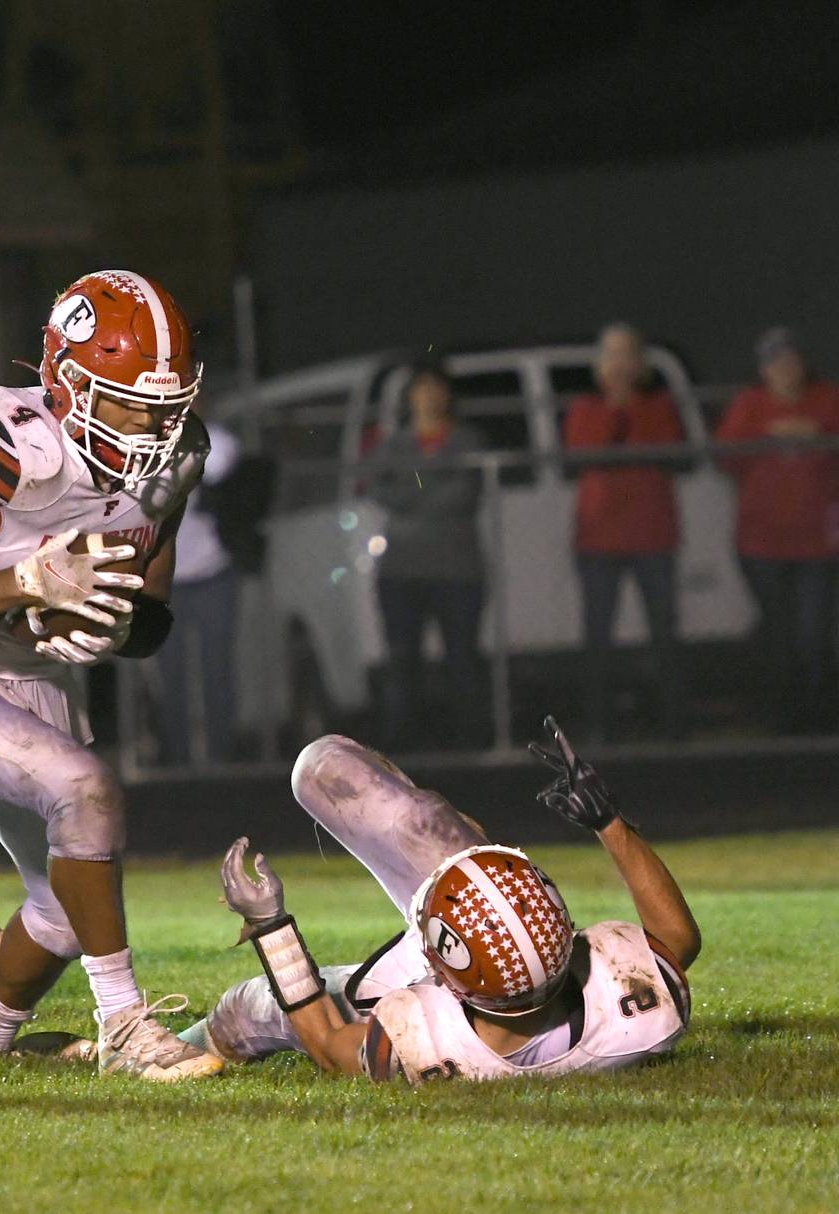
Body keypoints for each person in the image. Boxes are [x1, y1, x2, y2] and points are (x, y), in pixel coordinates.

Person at [0, 270, 225, 1080]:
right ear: (64, 382)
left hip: (39, 680)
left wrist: (107, 621)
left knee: (65, 910)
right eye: (131, 401)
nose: (153, 427)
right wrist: (27, 584)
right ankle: (128, 1027)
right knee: (85, 790)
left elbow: (152, 620)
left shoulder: (180, 453)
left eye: (166, 407)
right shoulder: (7, 436)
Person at [180, 719, 699, 1082]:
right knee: (329, 770)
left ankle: (159, 1049)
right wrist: (607, 821)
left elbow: (327, 1046)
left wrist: (272, 927)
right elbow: (678, 938)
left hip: (409, 990)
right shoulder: (632, 1010)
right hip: (498, 982)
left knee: (249, 1009)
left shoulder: (423, 1043)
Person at [563, 323, 686, 741]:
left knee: (664, 632)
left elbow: (666, 450)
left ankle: (673, 724)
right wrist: (616, 418)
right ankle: (599, 725)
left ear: (641, 363)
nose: (620, 364)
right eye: (611, 355)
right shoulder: (584, 407)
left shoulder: (661, 406)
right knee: (597, 635)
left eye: (627, 354)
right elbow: (583, 452)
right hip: (599, 537)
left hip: (652, 535)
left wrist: (627, 426)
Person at [714, 328, 839, 731]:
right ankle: (783, 716)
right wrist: (769, 435)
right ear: (763, 369)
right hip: (762, 542)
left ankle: (819, 714)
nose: (785, 369)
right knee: (778, 630)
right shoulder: (748, 405)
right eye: (775, 362)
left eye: (791, 360)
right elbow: (725, 457)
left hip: (818, 543)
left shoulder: (828, 400)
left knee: (814, 632)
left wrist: (817, 436)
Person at [368, 357, 487, 749]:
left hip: (457, 570)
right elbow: (380, 491)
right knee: (401, 662)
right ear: (410, 397)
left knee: (462, 660)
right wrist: (434, 484)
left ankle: (470, 744)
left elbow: (465, 494)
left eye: (437, 387)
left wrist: (414, 493)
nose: (430, 396)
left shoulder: (468, 442)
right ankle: (401, 750)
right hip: (401, 570)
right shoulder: (394, 444)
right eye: (421, 388)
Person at [155, 415, 242, 765]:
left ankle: (222, 756)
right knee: (170, 673)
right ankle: (177, 758)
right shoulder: (141, 444)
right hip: (164, 582)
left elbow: (222, 458)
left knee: (217, 669)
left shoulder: (209, 441)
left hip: (212, 572)